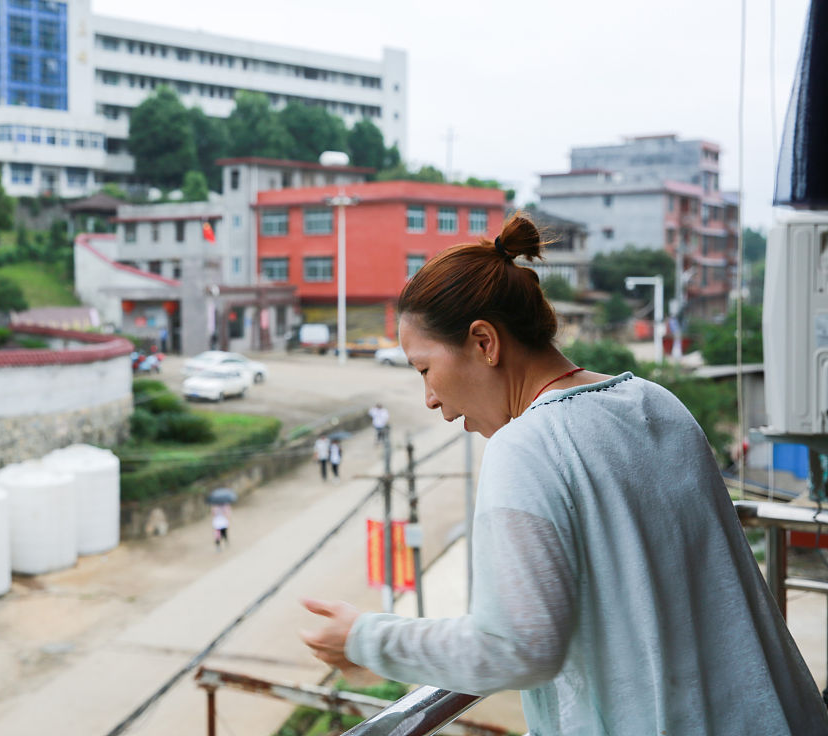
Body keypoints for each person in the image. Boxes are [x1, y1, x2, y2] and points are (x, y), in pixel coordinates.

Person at [299, 214, 828, 735]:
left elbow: (517, 646)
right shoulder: (655, 401)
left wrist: (365, 639)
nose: (432, 399)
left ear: (484, 342)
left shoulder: (524, 447)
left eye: (424, 369)